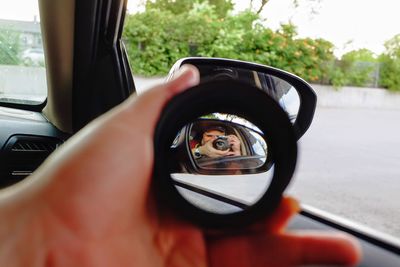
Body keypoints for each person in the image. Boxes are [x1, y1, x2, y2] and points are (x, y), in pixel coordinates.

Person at [0, 65, 361, 266]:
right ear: (192, 142)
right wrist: (45, 231)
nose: (224, 141)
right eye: (212, 135)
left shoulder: (246, 152)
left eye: (229, 137)